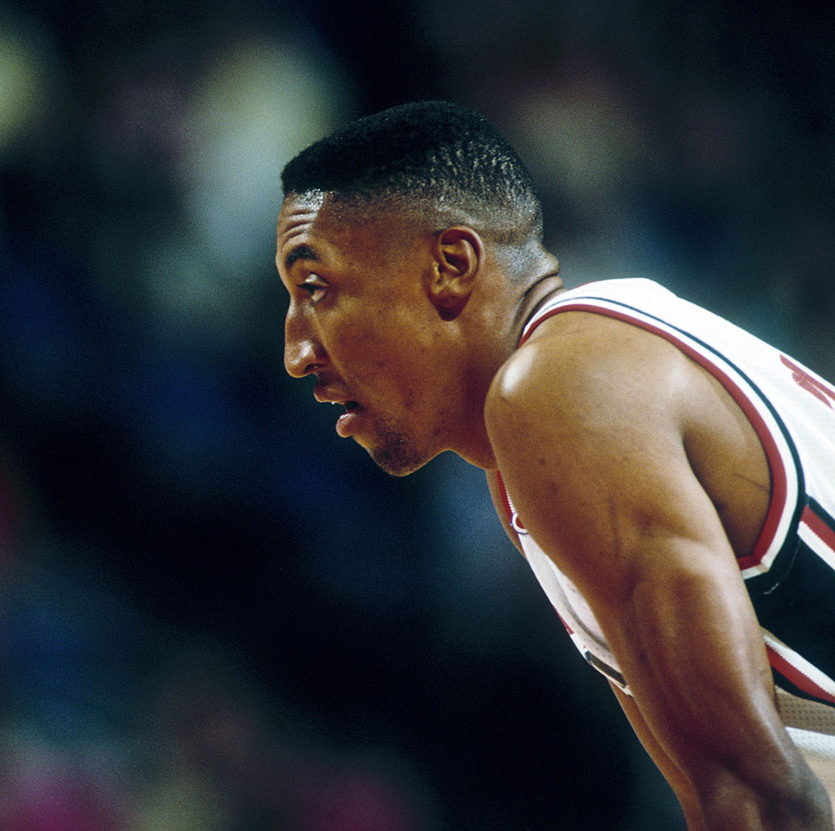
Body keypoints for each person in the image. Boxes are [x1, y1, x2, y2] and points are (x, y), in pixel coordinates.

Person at [274, 100, 835, 829]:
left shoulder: (558, 387)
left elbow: (761, 801)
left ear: (450, 265)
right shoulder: (556, 419)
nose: (296, 352)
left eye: (316, 290)